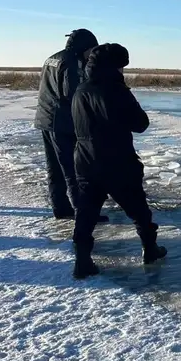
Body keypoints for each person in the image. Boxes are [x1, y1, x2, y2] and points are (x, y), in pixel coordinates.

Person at [70, 43, 167, 279]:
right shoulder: (116, 90)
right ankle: (150, 249)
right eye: (122, 66)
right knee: (138, 209)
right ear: (115, 67)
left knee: (86, 212)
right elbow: (140, 123)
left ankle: (82, 260)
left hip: (84, 159)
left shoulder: (81, 89)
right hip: (117, 160)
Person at [34, 28, 108, 222]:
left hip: (46, 119)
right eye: (92, 49)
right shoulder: (72, 61)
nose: (92, 54)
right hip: (63, 123)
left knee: (55, 167)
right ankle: (84, 212)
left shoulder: (52, 58)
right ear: (84, 47)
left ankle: (60, 207)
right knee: (74, 168)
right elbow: (72, 92)